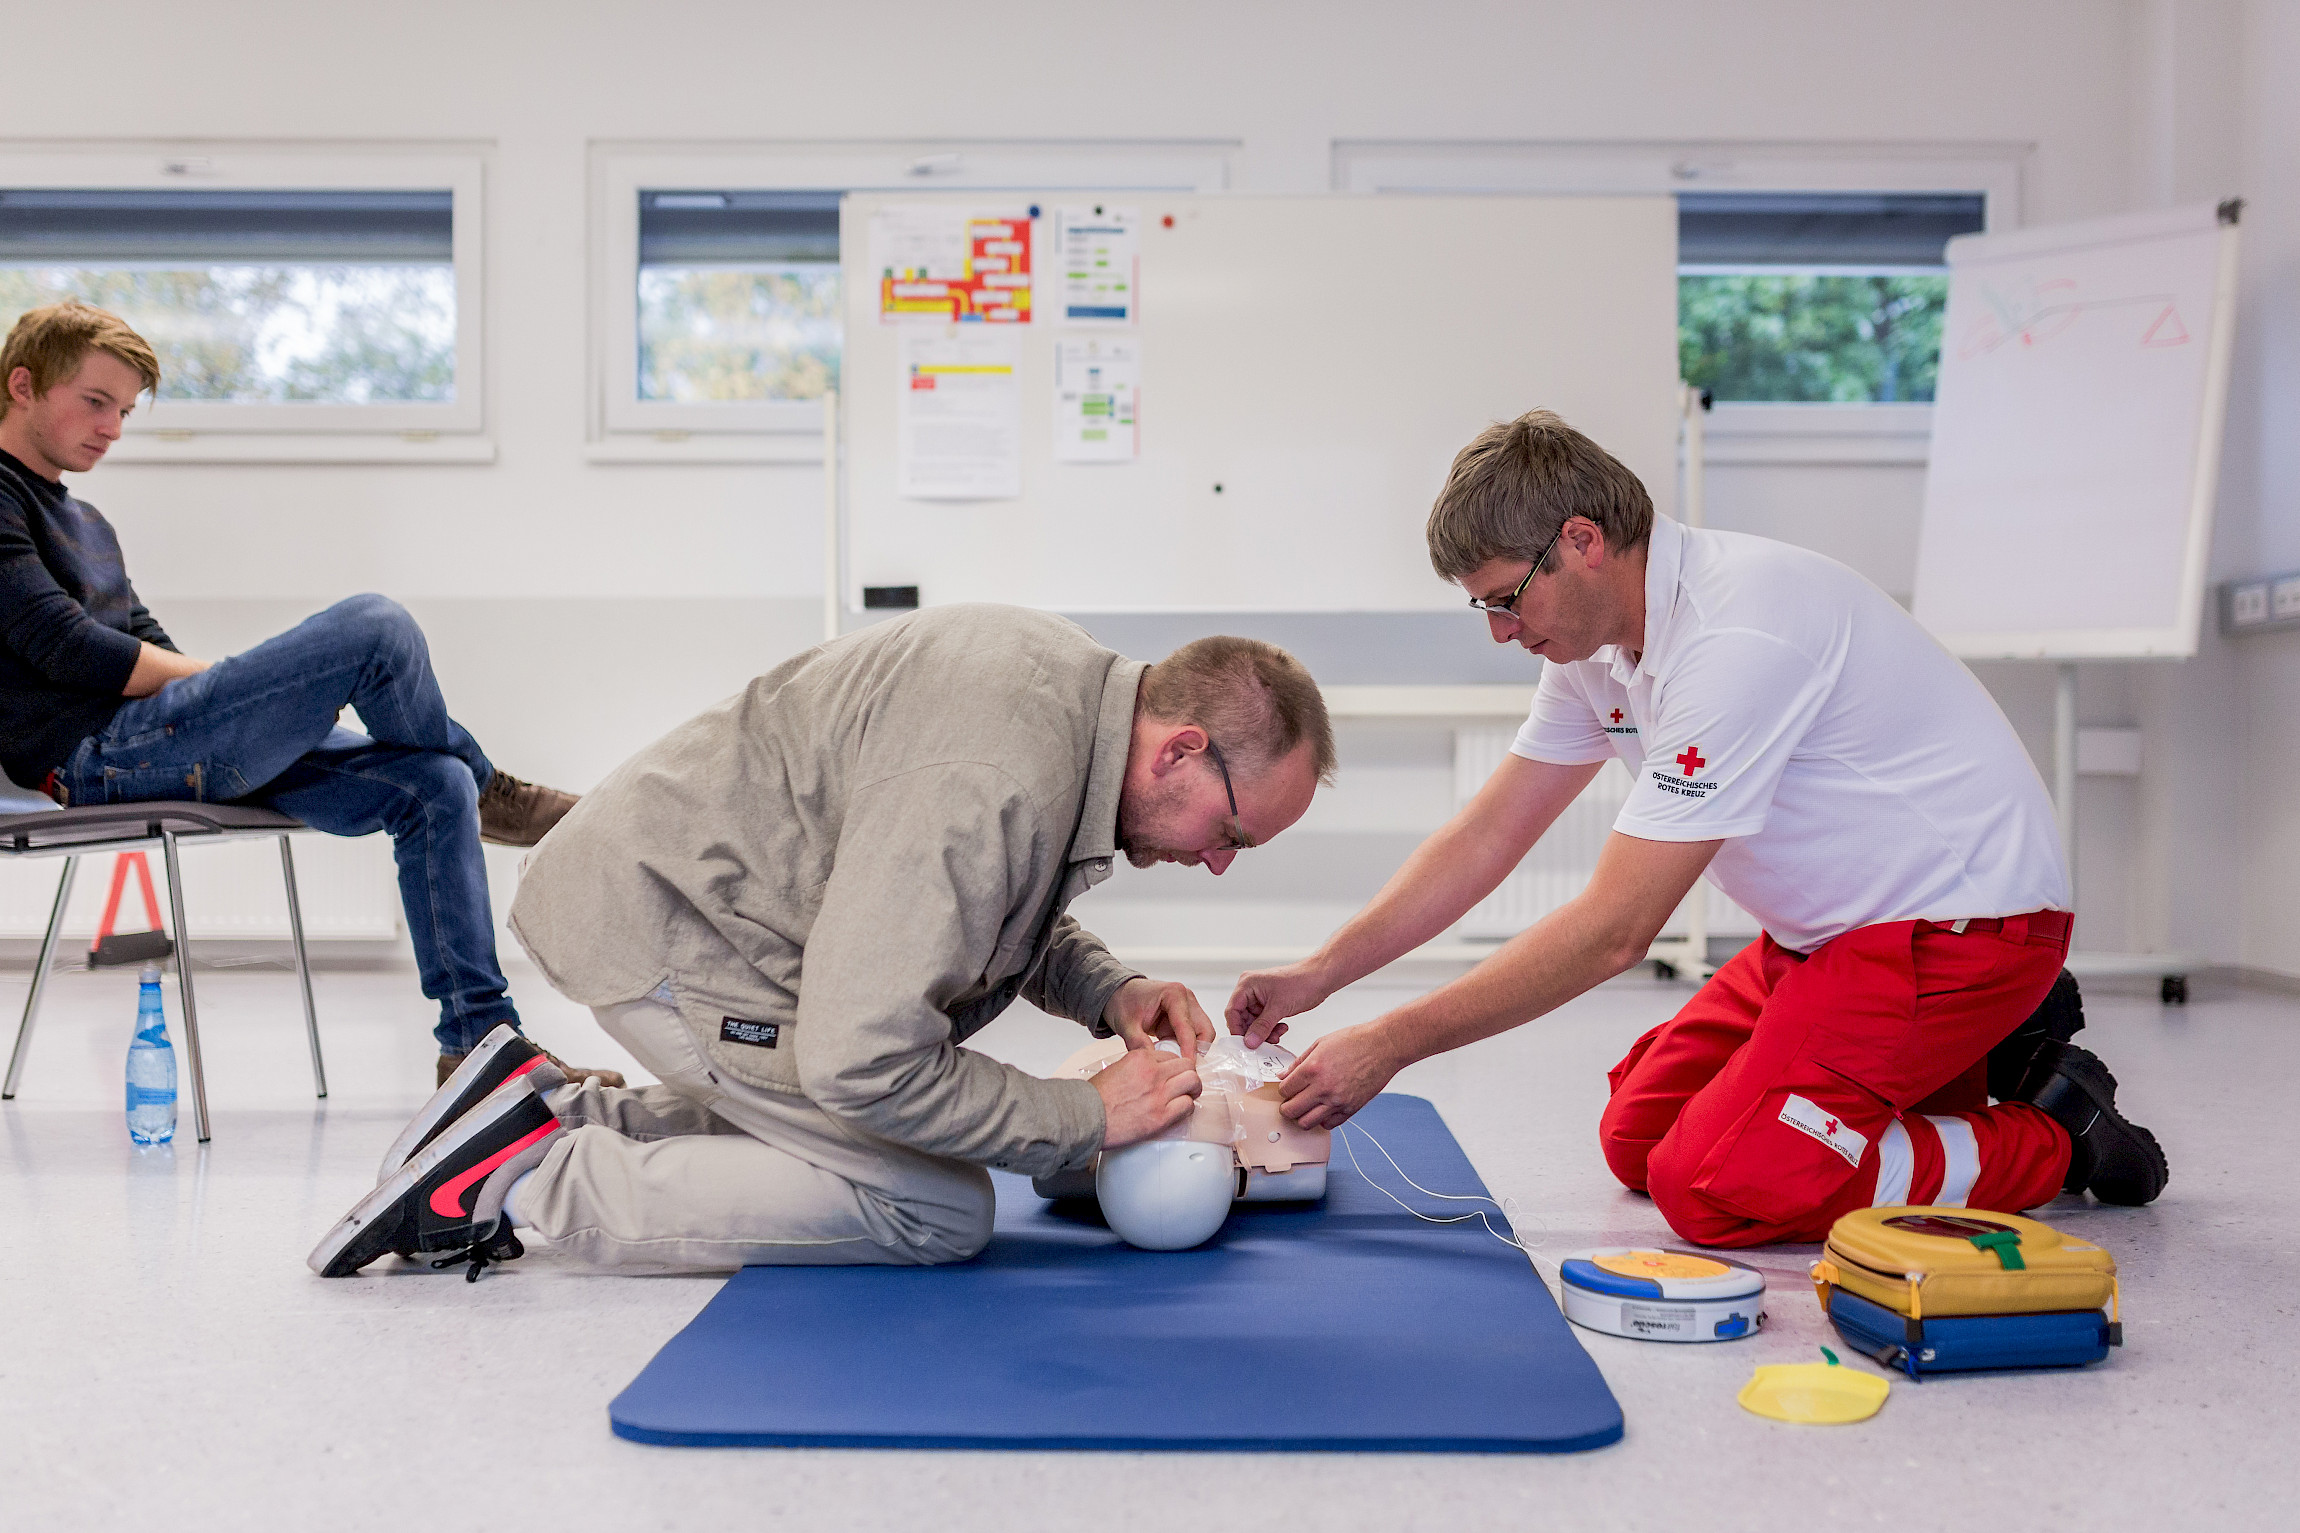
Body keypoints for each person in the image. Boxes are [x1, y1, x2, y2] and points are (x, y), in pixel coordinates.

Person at [1225, 409, 2167, 1248]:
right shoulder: (1594, 650)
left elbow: (1616, 930)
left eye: (1507, 599)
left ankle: (2056, 1133)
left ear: (1583, 541)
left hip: (1964, 932)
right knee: (1636, 1136)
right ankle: (1951, 1070)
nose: (1500, 632)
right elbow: (1487, 837)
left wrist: (1392, 1041)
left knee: (1713, 1184)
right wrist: (1322, 971)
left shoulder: (1736, 635)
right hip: (1829, 938)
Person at [309, 606, 1335, 1278]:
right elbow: (864, 1061)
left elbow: (987, 893)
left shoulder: (1064, 696)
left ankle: (536, 1108)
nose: (1219, 862)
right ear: (1180, 750)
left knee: (896, 1132)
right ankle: (516, 1174)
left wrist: (1107, 989)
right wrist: (1080, 1115)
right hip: (665, 935)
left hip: (705, 911)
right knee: (935, 1207)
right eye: (1232, 832)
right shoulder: (996, 780)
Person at [0, 300, 619, 1089]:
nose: (113, 428)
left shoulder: (87, 519)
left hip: (153, 738)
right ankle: (496, 786)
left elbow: (146, 640)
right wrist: (253, 686)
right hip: (95, 758)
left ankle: (479, 1047)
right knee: (376, 627)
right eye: (96, 402)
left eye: (123, 411)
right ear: (24, 385)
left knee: (435, 784)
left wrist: (253, 692)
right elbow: (67, 647)